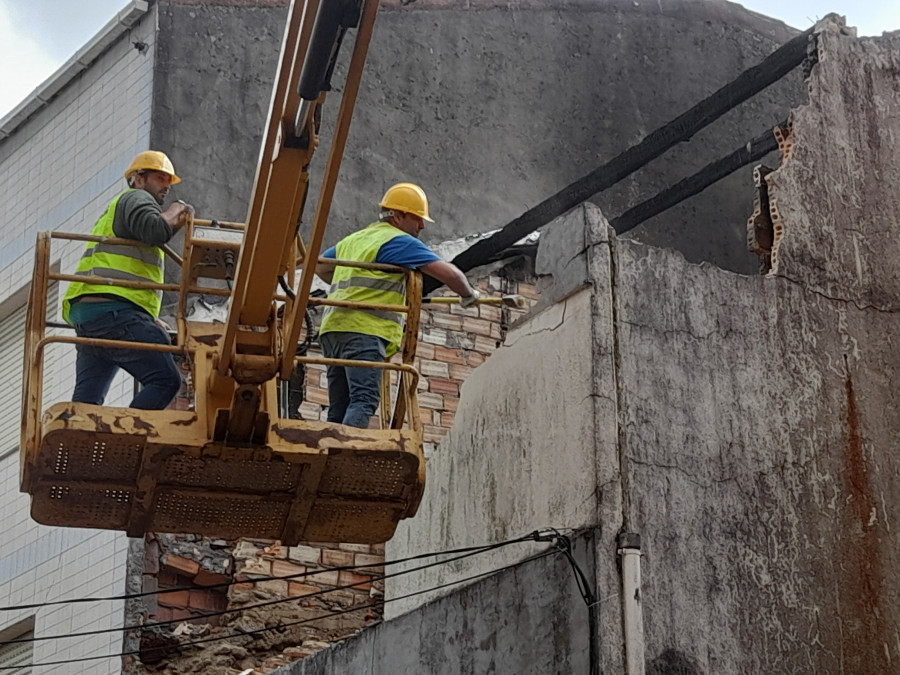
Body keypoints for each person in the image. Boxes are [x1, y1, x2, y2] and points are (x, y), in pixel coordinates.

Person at [315, 182, 479, 428]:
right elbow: (451, 275)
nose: (422, 226)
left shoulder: (355, 239)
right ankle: (341, 455)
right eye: (418, 218)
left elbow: (320, 267)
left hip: (332, 331)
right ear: (398, 216)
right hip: (363, 331)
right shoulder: (398, 241)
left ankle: (328, 451)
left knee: (339, 408)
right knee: (364, 400)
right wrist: (469, 295)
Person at [62, 151, 194, 410]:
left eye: (168, 180)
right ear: (139, 179)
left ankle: (82, 445)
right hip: (113, 314)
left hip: (93, 317)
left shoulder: (119, 210)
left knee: (87, 402)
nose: (166, 186)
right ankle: (129, 438)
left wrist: (146, 317)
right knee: (165, 380)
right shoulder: (136, 198)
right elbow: (154, 229)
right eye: (160, 178)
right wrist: (177, 210)